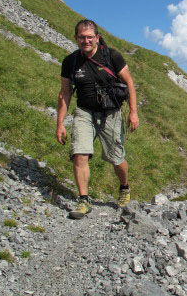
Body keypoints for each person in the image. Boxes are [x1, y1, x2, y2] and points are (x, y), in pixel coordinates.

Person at [56, 19, 139, 219]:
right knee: (80, 154)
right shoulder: (70, 62)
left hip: (111, 113)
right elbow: (65, 93)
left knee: (116, 158)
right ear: (76, 38)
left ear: (97, 38)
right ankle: (84, 200)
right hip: (84, 112)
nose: (86, 41)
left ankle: (124, 187)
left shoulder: (111, 56)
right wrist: (60, 123)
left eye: (89, 37)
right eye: (82, 37)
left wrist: (133, 112)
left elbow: (129, 83)